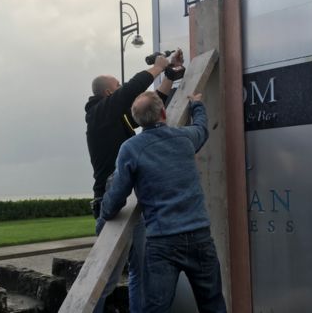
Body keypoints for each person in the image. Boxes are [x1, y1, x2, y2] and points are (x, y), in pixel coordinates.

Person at [98, 91, 227, 313]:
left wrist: (104, 214)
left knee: (156, 308)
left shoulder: (131, 149)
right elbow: (202, 128)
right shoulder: (185, 138)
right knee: (213, 304)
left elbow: (117, 196)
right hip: (200, 236)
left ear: (137, 121)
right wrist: (196, 105)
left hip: (162, 242)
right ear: (164, 112)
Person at [85, 50, 183, 313]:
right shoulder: (98, 115)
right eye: (116, 86)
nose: (121, 90)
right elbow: (129, 92)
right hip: (112, 194)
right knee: (104, 277)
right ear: (108, 93)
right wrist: (157, 68)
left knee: (140, 271)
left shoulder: (119, 119)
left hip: (130, 193)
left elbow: (148, 111)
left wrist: (169, 76)